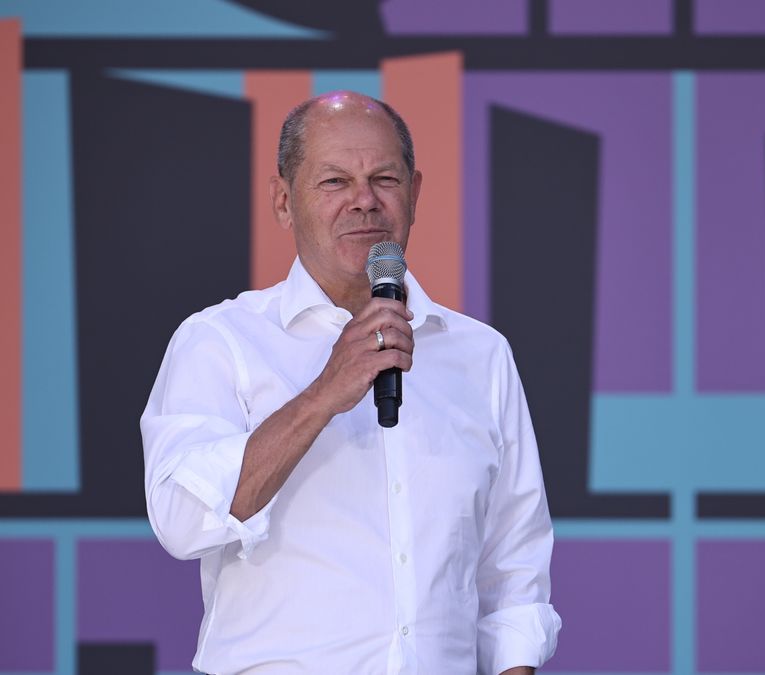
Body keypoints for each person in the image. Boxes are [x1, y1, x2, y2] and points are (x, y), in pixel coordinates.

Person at [141, 91, 560, 674]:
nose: (364, 201)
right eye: (334, 181)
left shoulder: (481, 355)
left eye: (384, 178)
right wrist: (323, 393)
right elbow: (183, 523)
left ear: (414, 195)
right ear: (284, 203)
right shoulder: (221, 342)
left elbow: (513, 573)